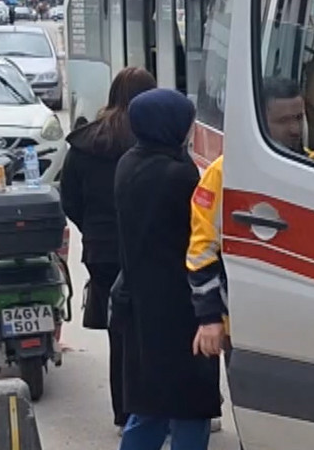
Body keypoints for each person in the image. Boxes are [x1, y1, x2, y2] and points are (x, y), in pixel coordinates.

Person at [114, 88, 219, 450]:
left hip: (141, 303)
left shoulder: (129, 162)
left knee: (150, 408)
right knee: (190, 409)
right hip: (180, 309)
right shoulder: (178, 176)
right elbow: (202, 237)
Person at [189, 77, 314, 362]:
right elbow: (201, 252)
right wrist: (210, 318)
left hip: (306, 319)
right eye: (283, 120)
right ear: (259, 120)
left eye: (298, 117)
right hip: (248, 323)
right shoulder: (223, 174)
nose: (295, 128)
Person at [61, 67, 157, 432]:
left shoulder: (86, 141)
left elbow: (69, 198)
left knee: (119, 333)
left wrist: (93, 231)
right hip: (145, 250)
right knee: (150, 332)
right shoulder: (150, 139)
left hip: (102, 251)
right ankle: (150, 408)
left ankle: (124, 412)